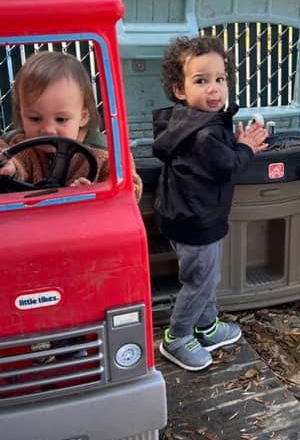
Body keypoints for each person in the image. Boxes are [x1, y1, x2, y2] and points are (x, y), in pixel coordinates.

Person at [153, 35, 268, 372]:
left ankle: (207, 327)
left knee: (206, 275)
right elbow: (227, 166)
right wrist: (245, 146)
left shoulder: (188, 121)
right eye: (201, 81)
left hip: (184, 213)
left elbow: (211, 156)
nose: (214, 89)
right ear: (179, 89)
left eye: (220, 79)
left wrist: (231, 143)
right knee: (201, 280)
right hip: (197, 219)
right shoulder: (204, 132)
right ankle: (177, 336)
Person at [0, 50, 143, 200]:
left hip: (86, 220)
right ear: (21, 114)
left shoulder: (106, 153)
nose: (48, 129)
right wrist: (11, 169)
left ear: (83, 116)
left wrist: (95, 192)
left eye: (61, 119)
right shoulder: (15, 145)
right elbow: (16, 163)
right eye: (35, 119)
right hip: (30, 219)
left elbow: (131, 188)